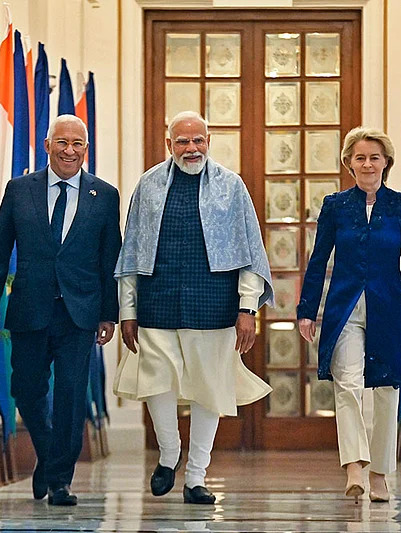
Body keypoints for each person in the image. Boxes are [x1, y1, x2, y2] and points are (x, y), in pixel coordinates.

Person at [113, 111, 273, 505]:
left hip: (214, 305)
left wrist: (247, 309)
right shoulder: (148, 186)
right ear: (169, 145)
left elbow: (249, 252)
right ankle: (169, 455)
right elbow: (132, 250)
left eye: (198, 140)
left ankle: (197, 476)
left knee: (209, 390)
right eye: (182, 141)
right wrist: (127, 310)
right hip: (157, 301)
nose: (191, 148)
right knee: (155, 382)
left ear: (209, 141)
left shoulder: (231, 186)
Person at [0, 115, 121, 506]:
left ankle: (59, 480)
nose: (69, 150)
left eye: (78, 143)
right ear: (47, 146)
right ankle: (49, 454)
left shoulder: (105, 196)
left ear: (86, 150)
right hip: (30, 306)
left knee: (71, 395)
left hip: (80, 311)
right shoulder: (19, 190)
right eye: (62, 142)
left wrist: (109, 314)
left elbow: (111, 259)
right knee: (25, 388)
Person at [297, 127, 401, 503]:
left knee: (388, 390)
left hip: (390, 307)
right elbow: (319, 258)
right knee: (349, 384)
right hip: (344, 308)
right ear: (349, 164)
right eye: (360, 157)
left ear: (386, 162)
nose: (367, 163)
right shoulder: (335, 206)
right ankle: (354, 466)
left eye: (374, 157)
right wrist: (307, 310)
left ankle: (380, 475)